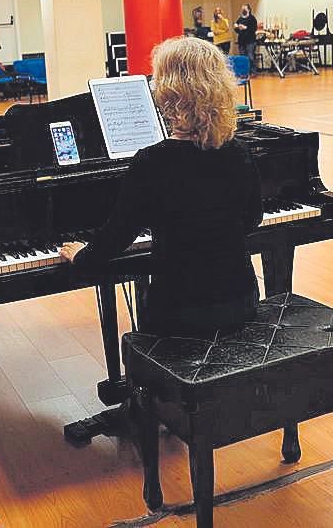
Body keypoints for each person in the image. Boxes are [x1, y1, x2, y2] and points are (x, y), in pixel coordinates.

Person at [60, 37, 263, 334]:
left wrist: (82, 256)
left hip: (181, 310)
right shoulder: (238, 151)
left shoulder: (152, 161)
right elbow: (252, 218)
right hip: (241, 299)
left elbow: (117, 237)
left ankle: (149, 378)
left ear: (167, 92)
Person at [234, 3, 258, 70]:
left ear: (249, 10)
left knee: (250, 57)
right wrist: (237, 27)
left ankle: (252, 71)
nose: (243, 10)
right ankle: (244, 71)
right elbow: (236, 29)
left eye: (245, 9)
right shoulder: (240, 18)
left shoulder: (252, 18)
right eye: (242, 9)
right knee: (242, 57)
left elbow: (254, 29)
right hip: (241, 41)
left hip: (250, 41)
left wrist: (245, 27)